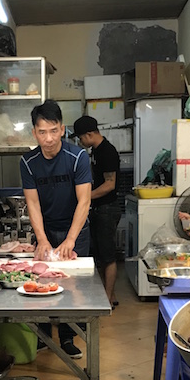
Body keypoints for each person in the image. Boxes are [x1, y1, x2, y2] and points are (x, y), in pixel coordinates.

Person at [20, 99, 92, 359]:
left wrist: (71, 239)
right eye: (42, 132)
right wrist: (41, 239)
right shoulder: (28, 162)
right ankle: (41, 336)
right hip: (46, 228)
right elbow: (33, 202)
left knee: (74, 286)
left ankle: (68, 337)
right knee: (40, 280)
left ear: (62, 129)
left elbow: (84, 200)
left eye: (53, 131)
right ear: (34, 133)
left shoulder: (77, 157)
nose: (48, 138)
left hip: (76, 228)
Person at [74, 115, 121, 307]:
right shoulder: (95, 151)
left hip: (107, 209)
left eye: (81, 138)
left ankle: (107, 300)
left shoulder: (107, 152)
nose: (80, 142)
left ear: (90, 134)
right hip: (99, 208)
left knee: (108, 255)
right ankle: (109, 295)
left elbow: (110, 185)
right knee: (101, 255)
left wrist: (85, 197)